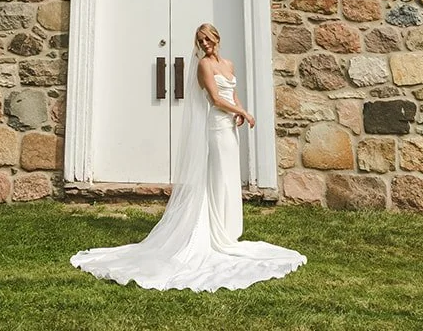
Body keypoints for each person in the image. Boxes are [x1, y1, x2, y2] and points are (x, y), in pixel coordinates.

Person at [70, 23, 307, 291]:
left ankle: (228, 231)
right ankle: (214, 233)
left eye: (207, 39)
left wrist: (240, 110)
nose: (205, 44)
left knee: (228, 177)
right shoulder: (204, 66)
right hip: (217, 126)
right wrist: (246, 113)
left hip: (230, 127)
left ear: (217, 37)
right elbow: (216, 99)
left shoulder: (228, 64)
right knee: (217, 176)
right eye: (200, 41)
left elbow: (232, 93)